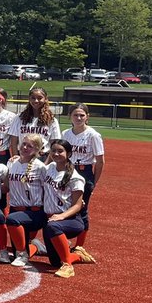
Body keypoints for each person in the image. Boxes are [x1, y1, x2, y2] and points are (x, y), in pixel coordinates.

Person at [40, 138, 96, 279]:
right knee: (54, 262)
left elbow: (78, 205)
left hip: (70, 221)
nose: (56, 154)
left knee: (53, 227)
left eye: (60, 151)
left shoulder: (75, 177)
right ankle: (77, 256)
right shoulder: (49, 168)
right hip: (51, 220)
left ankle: (68, 266)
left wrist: (61, 216)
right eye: (54, 151)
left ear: (69, 154)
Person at [61, 103, 105, 252]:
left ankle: (79, 245)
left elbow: (100, 161)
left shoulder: (93, 135)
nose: (78, 118)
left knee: (81, 208)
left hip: (84, 171)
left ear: (87, 117)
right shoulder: (66, 133)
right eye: (75, 115)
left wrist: (93, 182)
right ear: (70, 116)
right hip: (68, 171)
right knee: (64, 205)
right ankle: (63, 240)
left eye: (82, 115)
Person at [3, 133, 47, 268]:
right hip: (16, 209)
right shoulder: (11, 162)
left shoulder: (40, 167)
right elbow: (6, 186)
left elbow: (48, 190)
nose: (25, 147)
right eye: (24, 144)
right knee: (17, 246)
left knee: (12, 220)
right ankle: (34, 246)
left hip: (34, 212)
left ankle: (23, 253)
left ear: (38, 150)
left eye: (31, 146)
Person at [7, 86, 61, 158]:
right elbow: (13, 142)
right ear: (29, 99)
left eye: (39, 98)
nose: (36, 101)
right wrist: (15, 158)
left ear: (45, 99)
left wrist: (47, 162)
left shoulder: (52, 120)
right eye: (33, 98)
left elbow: (55, 144)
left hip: (42, 156)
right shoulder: (19, 118)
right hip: (23, 155)